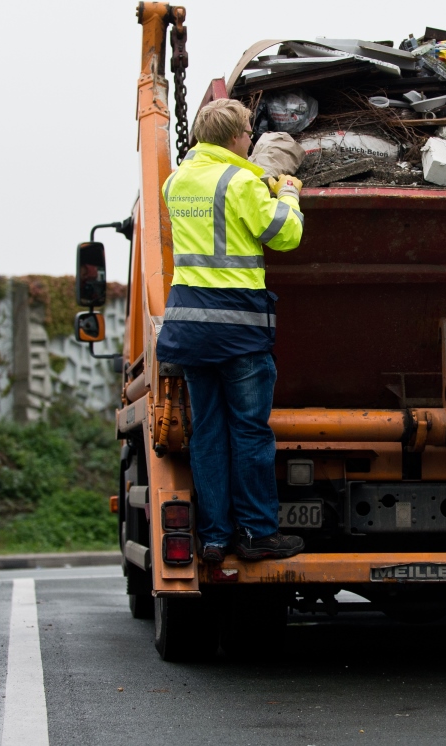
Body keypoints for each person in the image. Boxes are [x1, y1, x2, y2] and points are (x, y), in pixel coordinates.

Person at [155, 99, 306, 563]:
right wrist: (288, 193)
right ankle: (258, 533)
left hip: (191, 329)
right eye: (247, 131)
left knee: (207, 434)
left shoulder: (174, 181)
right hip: (239, 327)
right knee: (249, 433)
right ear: (238, 136)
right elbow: (284, 234)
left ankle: (216, 538)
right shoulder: (240, 181)